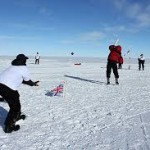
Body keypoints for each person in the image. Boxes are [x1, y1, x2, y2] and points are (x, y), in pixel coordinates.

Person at [0, 54, 39, 133]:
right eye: (25, 59)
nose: (26, 61)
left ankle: (16, 116)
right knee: (15, 107)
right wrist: (33, 83)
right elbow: (26, 80)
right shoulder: (23, 68)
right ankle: (9, 127)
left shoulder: (12, 66)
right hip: (8, 88)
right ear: (23, 60)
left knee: (16, 96)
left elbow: (21, 79)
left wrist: (32, 83)